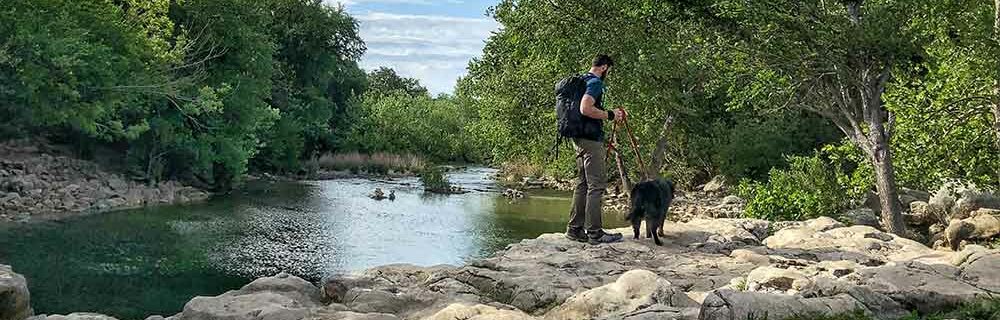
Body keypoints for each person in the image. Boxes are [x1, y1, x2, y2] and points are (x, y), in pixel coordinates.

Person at [565, 54, 626, 244]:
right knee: (596, 185)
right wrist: (610, 115)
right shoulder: (595, 83)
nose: (609, 73)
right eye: (609, 70)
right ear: (604, 67)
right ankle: (595, 233)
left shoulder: (580, 80)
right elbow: (585, 108)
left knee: (582, 183)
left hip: (578, 137)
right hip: (591, 140)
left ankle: (574, 230)